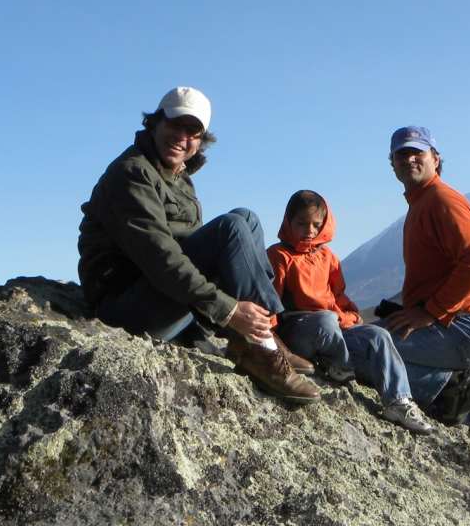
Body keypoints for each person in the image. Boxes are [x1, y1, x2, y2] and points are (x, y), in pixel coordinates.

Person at [77, 86, 321, 403]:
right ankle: (262, 348)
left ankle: (259, 333)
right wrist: (229, 310)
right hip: (125, 309)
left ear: (202, 140)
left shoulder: (178, 177)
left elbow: (189, 248)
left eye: (193, 131)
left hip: (160, 296)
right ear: (155, 123)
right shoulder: (132, 174)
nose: (182, 136)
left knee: (246, 218)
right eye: (175, 124)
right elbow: (161, 259)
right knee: (231, 228)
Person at [267, 190, 435, 434]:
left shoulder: (329, 258)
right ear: (288, 222)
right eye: (301, 223)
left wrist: (350, 317)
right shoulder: (279, 256)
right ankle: (341, 366)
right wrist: (273, 343)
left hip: (332, 330)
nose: (309, 230)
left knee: (377, 335)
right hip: (297, 331)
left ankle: (398, 401)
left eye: (316, 224)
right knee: (325, 320)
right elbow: (270, 301)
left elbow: (339, 299)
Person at [379, 126, 470, 427]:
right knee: (374, 346)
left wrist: (430, 312)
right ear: (392, 163)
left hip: (461, 326)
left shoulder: (442, 200)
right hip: (465, 326)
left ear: (435, 159)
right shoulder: (422, 203)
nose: (409, 159)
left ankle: (458, 392)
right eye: (402, 154)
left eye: (417, 152)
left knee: (367, 350)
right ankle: (457, 388)